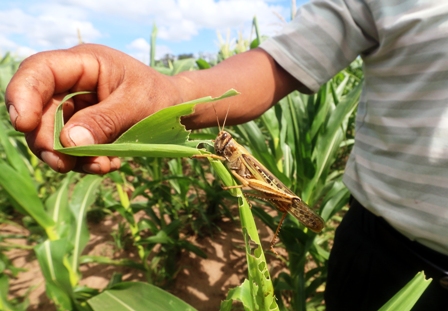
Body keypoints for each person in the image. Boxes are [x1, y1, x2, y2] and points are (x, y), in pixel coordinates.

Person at [5, 0, 448, 310]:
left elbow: (249, 179)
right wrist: (174, 94)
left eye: (224, 142)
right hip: (378, 243)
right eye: (223, 143)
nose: (223, 144)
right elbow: (281, 61)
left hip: (293, 202)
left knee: (285, 199)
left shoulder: (233, 155)